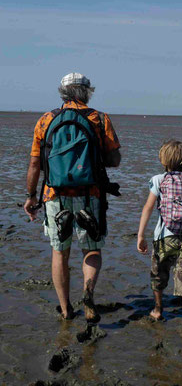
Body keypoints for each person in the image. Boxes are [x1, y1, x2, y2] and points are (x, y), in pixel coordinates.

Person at [24, 72, 121, 322]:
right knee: (92, 250)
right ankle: (88, 295)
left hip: (54, 195)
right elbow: (114, 160)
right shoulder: (99, 119)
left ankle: (66, 310)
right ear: (87, 92)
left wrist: (31, 196)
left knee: (60, 252)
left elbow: (35, 163)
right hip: (91, 194)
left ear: (62, 92)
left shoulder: (45, 120)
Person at [137, 140, 182, 337]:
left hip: (164, 237)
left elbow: (148, 208)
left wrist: (141, 235)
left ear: (164, 160)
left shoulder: (159, 179)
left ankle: (158, 310)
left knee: (159, 273)